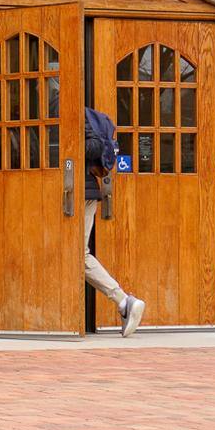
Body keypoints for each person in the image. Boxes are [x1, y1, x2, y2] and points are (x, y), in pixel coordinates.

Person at [83, 105, 144, 337]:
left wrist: (66, 147)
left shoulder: (65, 108)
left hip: (80, 192)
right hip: (80, 192)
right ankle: (123, 301)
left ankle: (123, 300)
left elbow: (94, 145)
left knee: (77, 254)